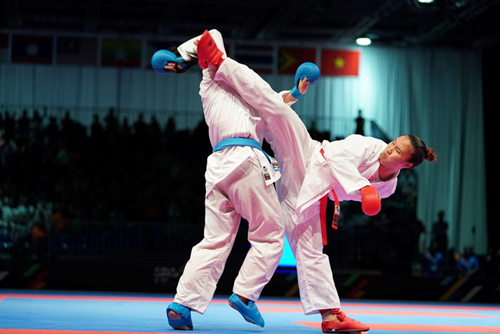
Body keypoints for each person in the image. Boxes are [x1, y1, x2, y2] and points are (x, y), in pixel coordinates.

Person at [193, 29, 437, 333]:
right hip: (308, 155)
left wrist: (365, 191)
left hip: (312, 194)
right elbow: (337, 160)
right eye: (394, 142)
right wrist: (362, 187)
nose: (389, 148)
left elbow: (354, 192)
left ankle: (309, 310)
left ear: (407, 165)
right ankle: (219, 63)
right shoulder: (371, 146)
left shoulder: (388, 186)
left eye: (397, 150)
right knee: (275, 109)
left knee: (310, 253)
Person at [151, 30, 285, 330]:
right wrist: (181, 57)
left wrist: (297, 93)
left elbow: (277, 101)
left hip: (217, 167)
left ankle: (181, 304)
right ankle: (246, 295)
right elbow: (211, 35)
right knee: (271, 232)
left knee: (214, 241)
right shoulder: (214, 73)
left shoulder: (233, 93)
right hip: (246, 160)